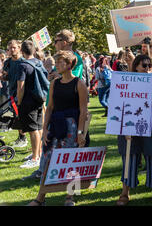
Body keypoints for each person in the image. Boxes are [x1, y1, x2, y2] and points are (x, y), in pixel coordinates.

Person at [27, 50, 88, 206]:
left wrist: (81, 133)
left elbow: (83, 111)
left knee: (71, 161)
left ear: (69, 65)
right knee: (48, 161)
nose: (57, 64)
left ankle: (70, 197)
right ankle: (40, 198)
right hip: (55, 125)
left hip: (72, 127)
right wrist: (45, 129)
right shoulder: (55, 83)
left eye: (60, 62)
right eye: (57, 61)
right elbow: (50, 107)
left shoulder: (79, 83)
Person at [116, 54, 152, 205]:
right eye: (144, 66)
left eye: (150, 66)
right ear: (136, 67)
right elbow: (117, 104)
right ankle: (125, 193)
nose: (147, 69)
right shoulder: (126, 82)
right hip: (131, 129)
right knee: (130, 158)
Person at [17, 41, 49, 169]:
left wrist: (19, 102)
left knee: (32, 130)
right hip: (39, 98)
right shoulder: (38, 62)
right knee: (39, 127)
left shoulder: (22, 65)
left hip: (28, 101)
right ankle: (38, 153)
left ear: (22, 51)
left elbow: (21, 87)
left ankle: (35, 158)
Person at [1, 40, 28, 148]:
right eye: (10, 48)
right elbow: (6, 76)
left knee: (21, 115)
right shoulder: (7, 62)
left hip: (23, 93)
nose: (12, 50)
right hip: (11, 92)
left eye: (14, 48)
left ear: (19, 48)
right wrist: (3, 77)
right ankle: (21, 137)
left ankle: (24, 138)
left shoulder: (24, 62)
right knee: (16, 116)